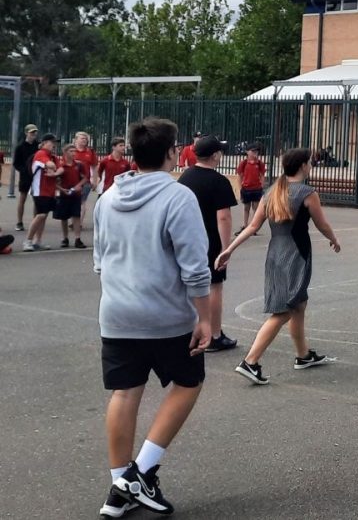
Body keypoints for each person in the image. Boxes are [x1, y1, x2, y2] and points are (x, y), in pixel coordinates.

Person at [92, 116, 211, 517]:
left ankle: (118, 485)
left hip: (117, 311)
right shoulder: (178, 197)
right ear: (170, 153)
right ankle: (139, 472)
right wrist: (205, 317)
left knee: (125, 391)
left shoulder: (108, 198)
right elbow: (195, 267)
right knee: (188, 381)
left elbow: (99, 260)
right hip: (164, 313)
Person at [218, 147, 341, 385]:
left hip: (276, 252)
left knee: (299, 303)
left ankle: (303, 355)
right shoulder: (307, 193)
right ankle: (250, 361)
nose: (311, 166)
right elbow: (322, 224)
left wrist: (230, 249)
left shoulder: (272, 191)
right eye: (309, 163)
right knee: (284, 310)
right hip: (296, 254)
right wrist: (333, 239)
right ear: (303, 166)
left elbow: (252, 227)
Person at [178, 135, 240, 354]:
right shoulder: (218, 181)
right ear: (215, 155)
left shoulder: (185, 177)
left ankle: (191, 331)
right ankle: (214, 334)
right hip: (210, 239)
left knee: (190, 285)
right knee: (214, 286)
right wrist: (226, 249)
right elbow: (223, 217)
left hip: (187, 237)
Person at [23, 133, 62, 252]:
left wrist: (55, 173)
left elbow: (60, 168)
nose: (54, 145)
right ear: (44, 143)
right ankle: (28, 241)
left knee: (43, 216)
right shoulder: (41, 154)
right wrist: (54, 168)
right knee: (41, 215)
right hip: (39, 190)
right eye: (52, 142)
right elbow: (51, 165)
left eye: (55, 143)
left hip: (50, 191)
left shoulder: (53, 156)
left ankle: (37, 241)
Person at [55, 143, 86, 248]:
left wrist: (78, 186)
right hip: (64, 194)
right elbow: (54, 181)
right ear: (65, 153)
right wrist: (62, 189)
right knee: (64, 217)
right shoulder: (60, 166)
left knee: (76, 215)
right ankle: (65, 238)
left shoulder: (79, 165)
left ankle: (78, 238)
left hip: (75, 194)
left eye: (74, 151)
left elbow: (85, 178)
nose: (73, 153)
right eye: (71, 151)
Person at [13, 124, 39, 232]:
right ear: (26, 133)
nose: (33, 135)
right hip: (25, 176)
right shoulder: (20, 147)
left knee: (36, 199)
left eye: (35, 133)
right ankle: (19, 222)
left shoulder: (38, 146)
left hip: (36, 175)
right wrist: (24, 170)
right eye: (31, 132)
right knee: (22, 198)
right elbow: (16, 163)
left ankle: (35, 222)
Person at [235, 145, 266, 232]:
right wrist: (241, 187)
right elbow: (240, 176)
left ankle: (254, 226)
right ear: (247, 152)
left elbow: (262, 176)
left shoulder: (259, 164)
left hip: (256, 189)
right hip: (246, 189)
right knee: (246, 207)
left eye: (256, 152)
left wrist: (261, 186)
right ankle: (245, 225)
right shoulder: (244, 163)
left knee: (255, 208)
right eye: (252, 151)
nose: (255, 153)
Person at [74, 130, 99, 228]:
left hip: (86, 180)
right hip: (72, 181)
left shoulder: (90, 152)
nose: (84, 140)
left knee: (82, 201)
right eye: (82, 138)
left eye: (86, 139)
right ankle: (75, 220)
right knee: (74, 201)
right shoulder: (71, 150)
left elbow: (94, 166)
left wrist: (95, 179)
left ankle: (79, 223)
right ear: (76, 140)